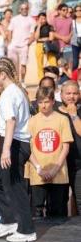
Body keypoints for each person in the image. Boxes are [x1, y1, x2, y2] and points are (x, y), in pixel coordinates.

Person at [0, 57, 36, 242]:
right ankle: (8, 220)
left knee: (14, 186)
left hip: (15, 144)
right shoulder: (12, 92)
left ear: (2, 74)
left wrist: (6, 149)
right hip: (8, 140)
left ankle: (26, 229)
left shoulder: (9, 94)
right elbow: (5, 122)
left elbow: (11, 121)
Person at [26, 87, 72, 218]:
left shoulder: (62, 119)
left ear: (53, 101)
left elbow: (65, 147)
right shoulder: (32, 121)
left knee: (57, 211)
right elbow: (28, 148)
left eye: (46, 101)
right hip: (38, 174)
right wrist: (39, 169)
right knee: (37, 211)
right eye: (40, 102)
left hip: (59, 174)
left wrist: (54, 170)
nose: (43, 105)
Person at [55, 81, 80, 214]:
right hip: (59, 165)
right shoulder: (54, 112)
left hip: (78, 165)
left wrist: (74, 115)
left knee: (79, 199)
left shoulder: (79, 111)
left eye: (75, 93)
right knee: (59, 202)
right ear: (61, 94)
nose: (71, 97)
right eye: (68, 93)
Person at [7, 3, 36, 81]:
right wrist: (10, 43)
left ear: (28, 9)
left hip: (24, 46)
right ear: (20, 10)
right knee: (13, 65)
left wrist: (27, 44)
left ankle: (22, 81)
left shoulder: (32, 20)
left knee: (23, 65)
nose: (24, 10)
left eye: (25, 8)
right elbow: (9, 31)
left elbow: (33, 34)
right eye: (22, 9)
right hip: (14, 45)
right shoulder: (14, 19)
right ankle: (15, 81)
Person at [33, 12, 58, 80]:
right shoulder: (36, 27)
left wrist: (45, 40)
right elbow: (36, 38)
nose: (43, 20)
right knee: (39, 63)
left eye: (44, 18)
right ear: (38, 19)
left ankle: (54, 77)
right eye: (41, 18)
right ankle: (41, 79)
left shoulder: (49, 26)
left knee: (52, 61)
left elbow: (51, 37)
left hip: (48, 44)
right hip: (39, 44)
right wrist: (39, 26)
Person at [52, 3, 75, 69]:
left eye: (66, 10)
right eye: (63, 10)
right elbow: (53, 32)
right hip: (58, 45)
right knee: (60, 65)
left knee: (68, 64)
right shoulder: (55, 20)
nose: (66, 11)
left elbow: (73, 30)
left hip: (68, 45)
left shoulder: (70, 20)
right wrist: (63, 38)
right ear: (59, 11)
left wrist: (68, 37)